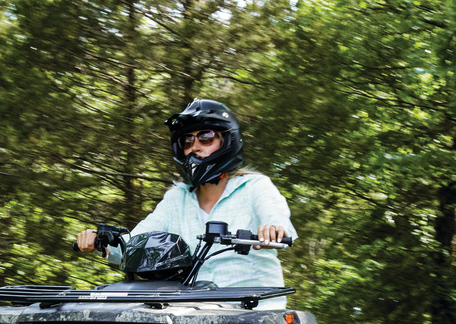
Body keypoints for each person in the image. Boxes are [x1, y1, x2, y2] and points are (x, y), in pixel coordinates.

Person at [75, 100, 296, 294]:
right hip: (196, 309)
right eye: (187, 141)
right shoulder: (176, 199)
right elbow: (134, 242)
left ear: (227, 140)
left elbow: (276, 219)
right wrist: (102, 241)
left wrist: (273, 230)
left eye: (206, 137)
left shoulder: (255, 187)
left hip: (253, 308)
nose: (194, 147)